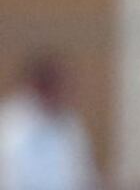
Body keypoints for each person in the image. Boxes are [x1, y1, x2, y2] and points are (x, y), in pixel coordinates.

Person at [0, 52, 98, 190]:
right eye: (59, 84)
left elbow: (84, 176)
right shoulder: (11, 124)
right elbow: (9, 180)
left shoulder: (70, 122)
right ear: (39, 85)